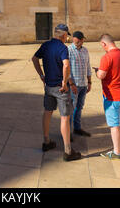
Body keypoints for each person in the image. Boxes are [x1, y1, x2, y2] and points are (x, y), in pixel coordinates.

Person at [32, 24, 81, 161]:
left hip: (48, 86)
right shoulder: (62, 48)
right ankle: (68, 151)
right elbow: (66, 65)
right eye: (67, 36)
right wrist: (65, 83)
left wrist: (42, 76)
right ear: (64, 35)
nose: (67, 38)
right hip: (60, 88)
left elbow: (34, 59)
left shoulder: (46, 45)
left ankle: (46, 142)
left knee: (47, 112)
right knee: (65, 117)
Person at [94, 33, 120, 160]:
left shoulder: (107, 57)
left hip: (113, 96)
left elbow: (101, 75)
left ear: (103, 44)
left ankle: (117, 152)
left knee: (114, 125)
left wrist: (97, 71)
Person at [68, 31, 92, 139]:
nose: (78, 42)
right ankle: (67, 132)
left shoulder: (85, 50)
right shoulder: (69, 50)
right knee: (71, 108)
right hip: (74, 84)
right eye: (76, 41)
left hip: (83, 84)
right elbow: (66, 68)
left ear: (82, 40)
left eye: (80, 41)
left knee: (79, 107)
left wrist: (89, 81)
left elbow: (88, 66)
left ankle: (77, 128)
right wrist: (71, 83)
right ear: (73, 39)